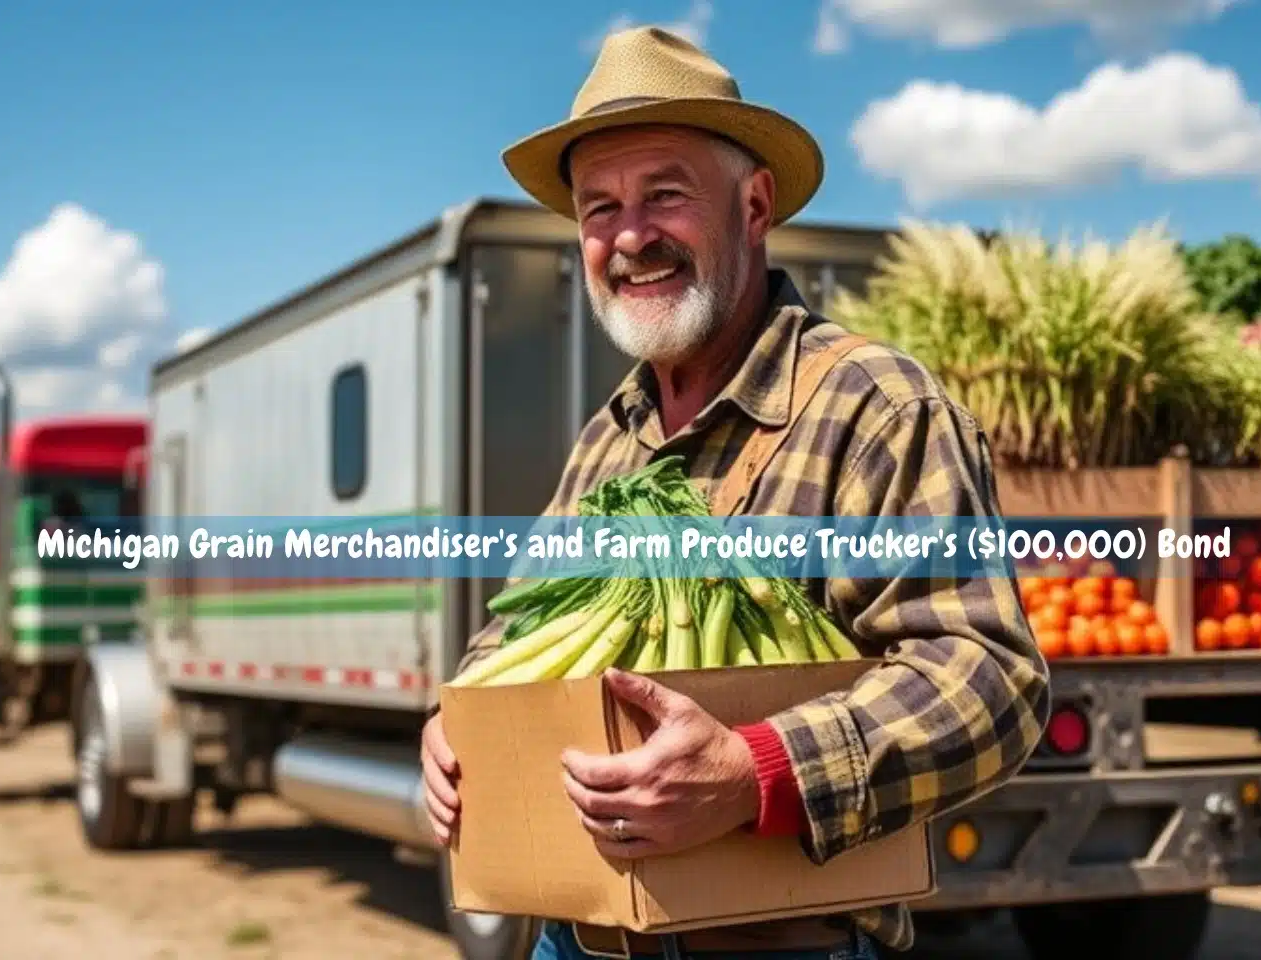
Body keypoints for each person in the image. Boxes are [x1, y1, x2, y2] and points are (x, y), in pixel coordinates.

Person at [421, 25, 1051, 960]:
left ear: (754, 204)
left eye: (664, 195)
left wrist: (755, 772)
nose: (630, 237)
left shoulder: (874, 408)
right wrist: (457, 717)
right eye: (599, 208)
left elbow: (990, 680)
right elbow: (510, 629)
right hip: (579, 938)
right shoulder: (611, 438)